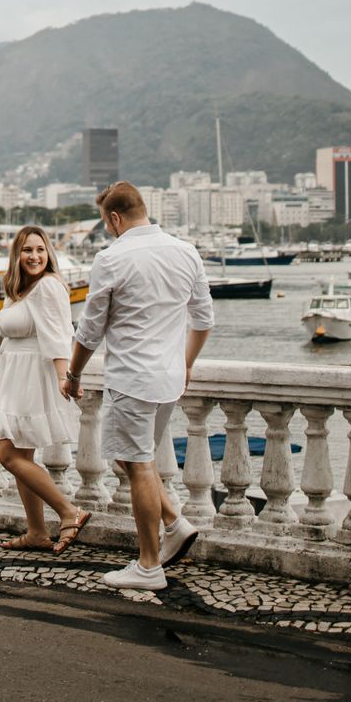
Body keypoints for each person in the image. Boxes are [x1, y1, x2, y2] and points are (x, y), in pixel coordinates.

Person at [65, 182, 213, 590]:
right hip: (168, 380)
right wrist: (185, 363)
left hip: (132, 379)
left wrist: (74, 374)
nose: (108, 230)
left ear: (114, 218)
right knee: (131, 461)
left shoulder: (112, 258)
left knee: (139, 465)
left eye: (106, 224)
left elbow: (90, 330)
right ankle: (175, 524)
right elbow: (203, 319)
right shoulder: (186, 251)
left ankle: (149, 566)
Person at [0, 225, 89, 553]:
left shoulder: (49, 286)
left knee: (9, 455)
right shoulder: (16, 290)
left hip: (33, 378)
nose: (34, 256)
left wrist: (66, 377)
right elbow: (7, 345)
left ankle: (69, 511)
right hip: (11, 378)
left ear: (49, 254)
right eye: (28, 250)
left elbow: (60, 335)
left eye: (40, 250)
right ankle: (37, 532)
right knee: (21, 455)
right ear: (17, 255)